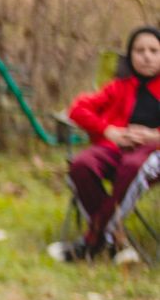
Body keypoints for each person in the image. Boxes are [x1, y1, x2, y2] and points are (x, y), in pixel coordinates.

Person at [54, 27, 160, 263]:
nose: (146, 56)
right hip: (115, 149)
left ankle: (92, 240)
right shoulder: (119, 87)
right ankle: (114, 239)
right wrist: (109, 131)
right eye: (139, 50)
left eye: (154, 50)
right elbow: (77, 109)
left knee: (133, 166)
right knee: (82, 164)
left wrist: (153, 136)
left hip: (153, 153)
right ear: (130, 56)